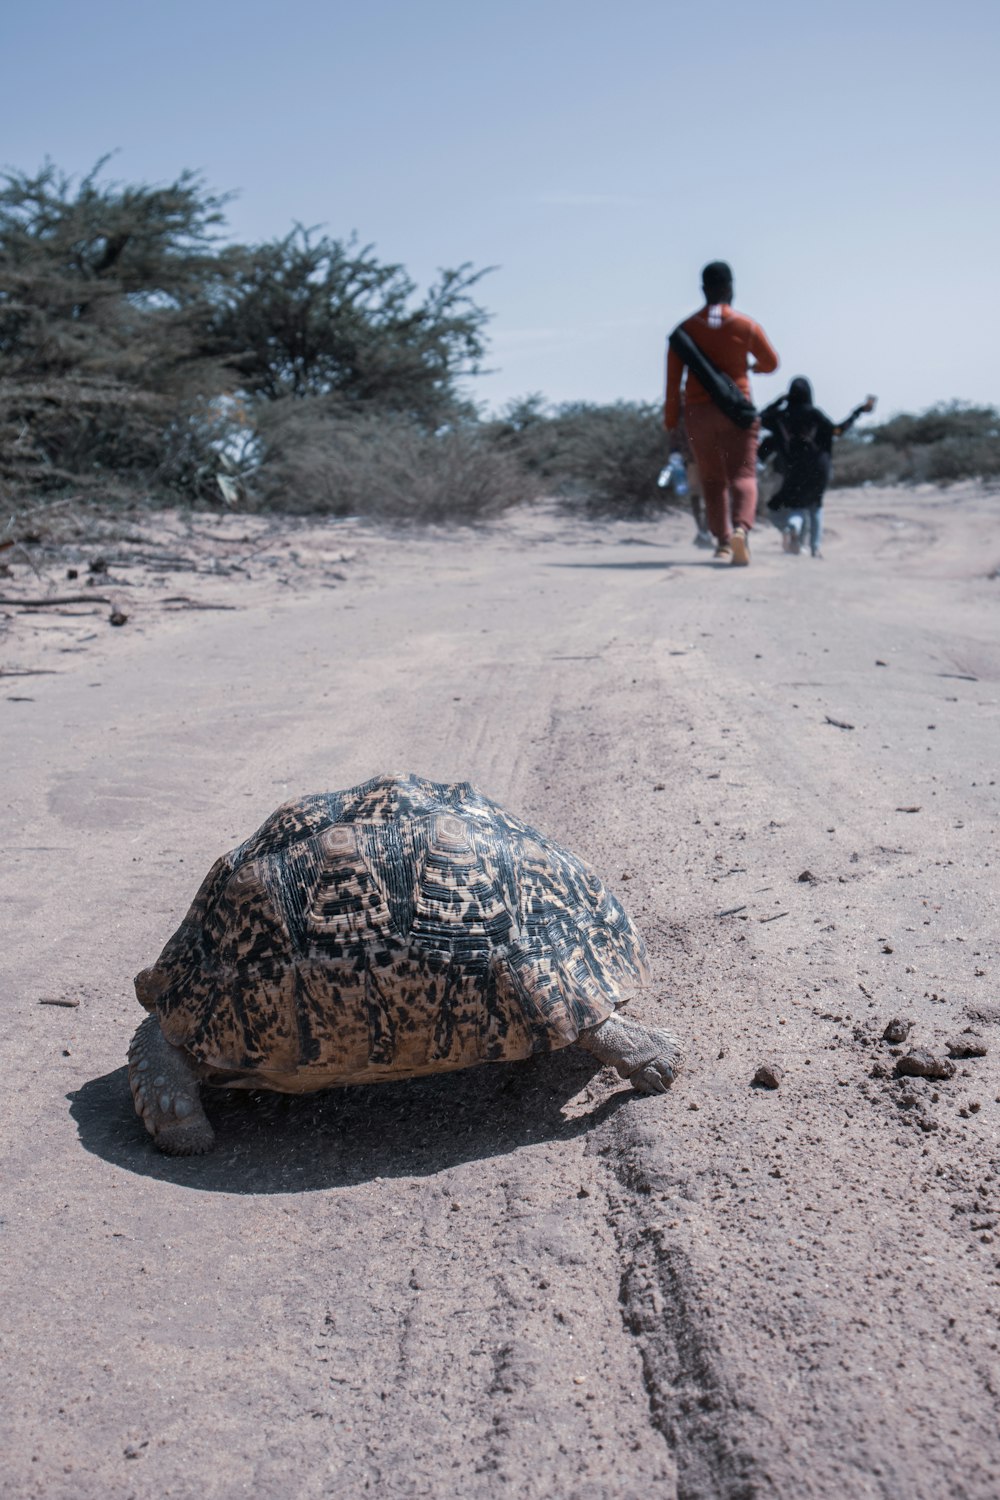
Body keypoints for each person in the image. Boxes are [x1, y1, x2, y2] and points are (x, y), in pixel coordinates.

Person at [664, 262, 779, 566]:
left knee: (712, 479)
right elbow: (772, 363)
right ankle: (741, 529)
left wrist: (671, 422)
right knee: (743, 474)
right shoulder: (746, 326)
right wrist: (750, 368)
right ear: (731, 287)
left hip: (698, 414)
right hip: (737, 410)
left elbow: (673, 384)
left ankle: (723, 541)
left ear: (703, 289)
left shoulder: (684, 331)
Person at [760, 380, 877, 557]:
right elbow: (838, 430)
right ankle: (815, 548)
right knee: (816, 506)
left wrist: (779, 401)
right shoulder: (814, 414)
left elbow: (761, 418)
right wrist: (857, 412)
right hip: (819, 467)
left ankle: (791, 527)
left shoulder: (782, 416)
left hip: (794, 468)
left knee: (796, 506)